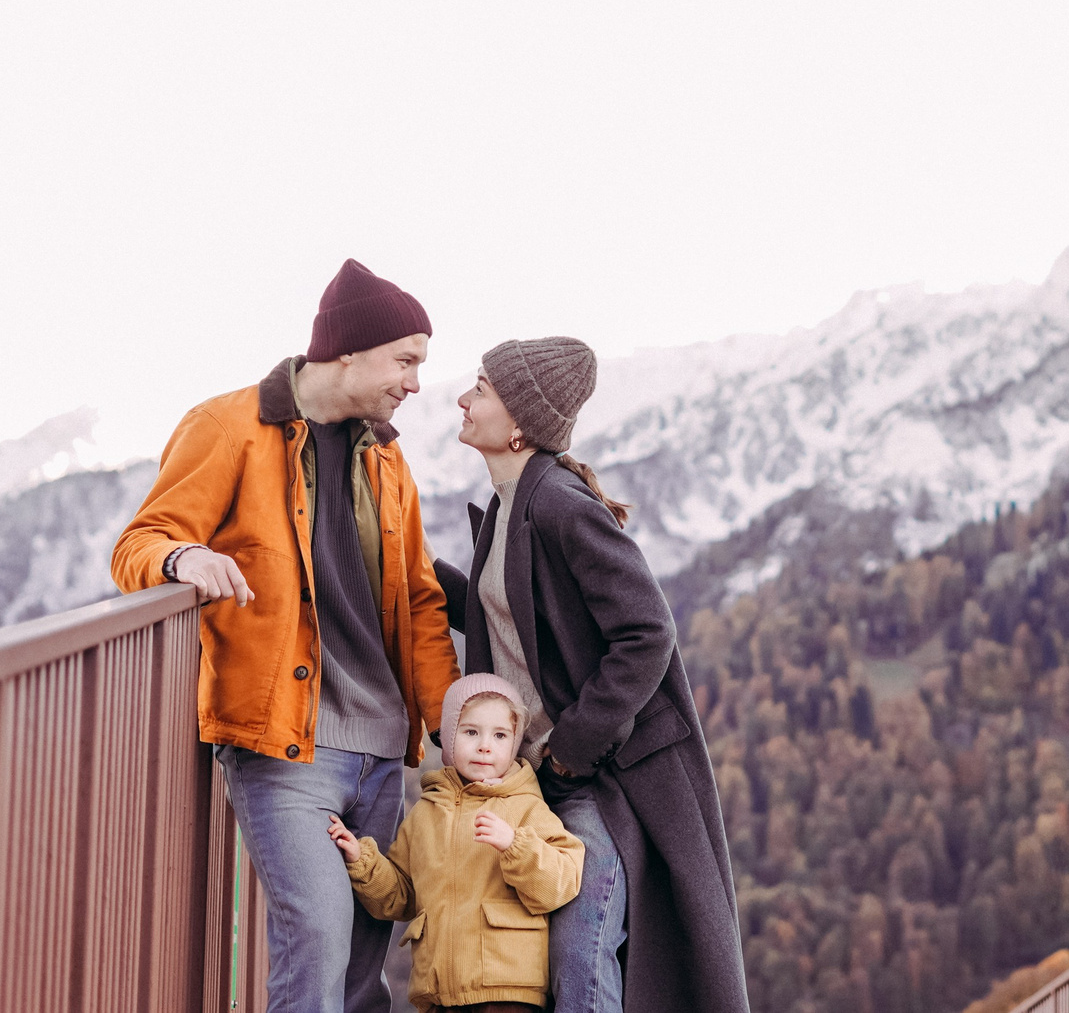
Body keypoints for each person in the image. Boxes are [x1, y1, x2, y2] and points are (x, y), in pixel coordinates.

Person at [110, 258, 462, 1013]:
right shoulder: (229, 426)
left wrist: (448, 728)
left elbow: (422, 602)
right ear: (348, 352)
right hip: (283, 747)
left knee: (364, 967)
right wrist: (183, 554)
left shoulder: (386, 456)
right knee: (319, 940)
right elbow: (139, 542)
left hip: (379, 750)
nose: (416, 382)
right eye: (406, 359)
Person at [449, 337, 750, 1013]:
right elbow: (512, 616)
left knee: (583, 956)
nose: (462, 400)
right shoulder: (506, 508)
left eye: (480, 389)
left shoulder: (558, 503)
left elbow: (647, 632)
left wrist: (570, 750)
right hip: (539, 780)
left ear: (520, 423)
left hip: (597, 780)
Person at [328, 674, 585, 1013]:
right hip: (439, 993)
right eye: (470, 732)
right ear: (449, 738)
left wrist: (515, 845)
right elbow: (400, 897)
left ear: (514, 744)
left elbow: (563, 882)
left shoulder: (527, 806)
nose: (484, 745)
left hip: (507, 992)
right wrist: (362, 860)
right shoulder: (425, 813)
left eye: (500, 735)